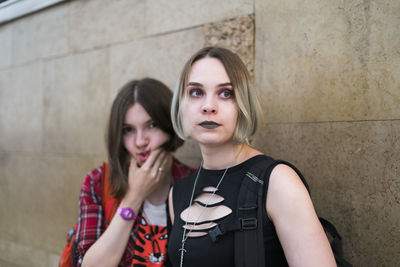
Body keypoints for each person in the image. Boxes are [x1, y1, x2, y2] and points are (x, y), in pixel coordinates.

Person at [167, 47, 336, 267]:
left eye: (226, 93)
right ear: (181, 105)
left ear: (243, 104)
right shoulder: (177, 193)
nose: (209, 106)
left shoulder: (277, 181)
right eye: (196, 92)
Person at [74, 78, 195, 267]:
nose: (140, 141)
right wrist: (133, 198)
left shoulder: (194, 182)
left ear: (170, 125)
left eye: (152, 125)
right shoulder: (98, 182)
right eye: (128, 130)